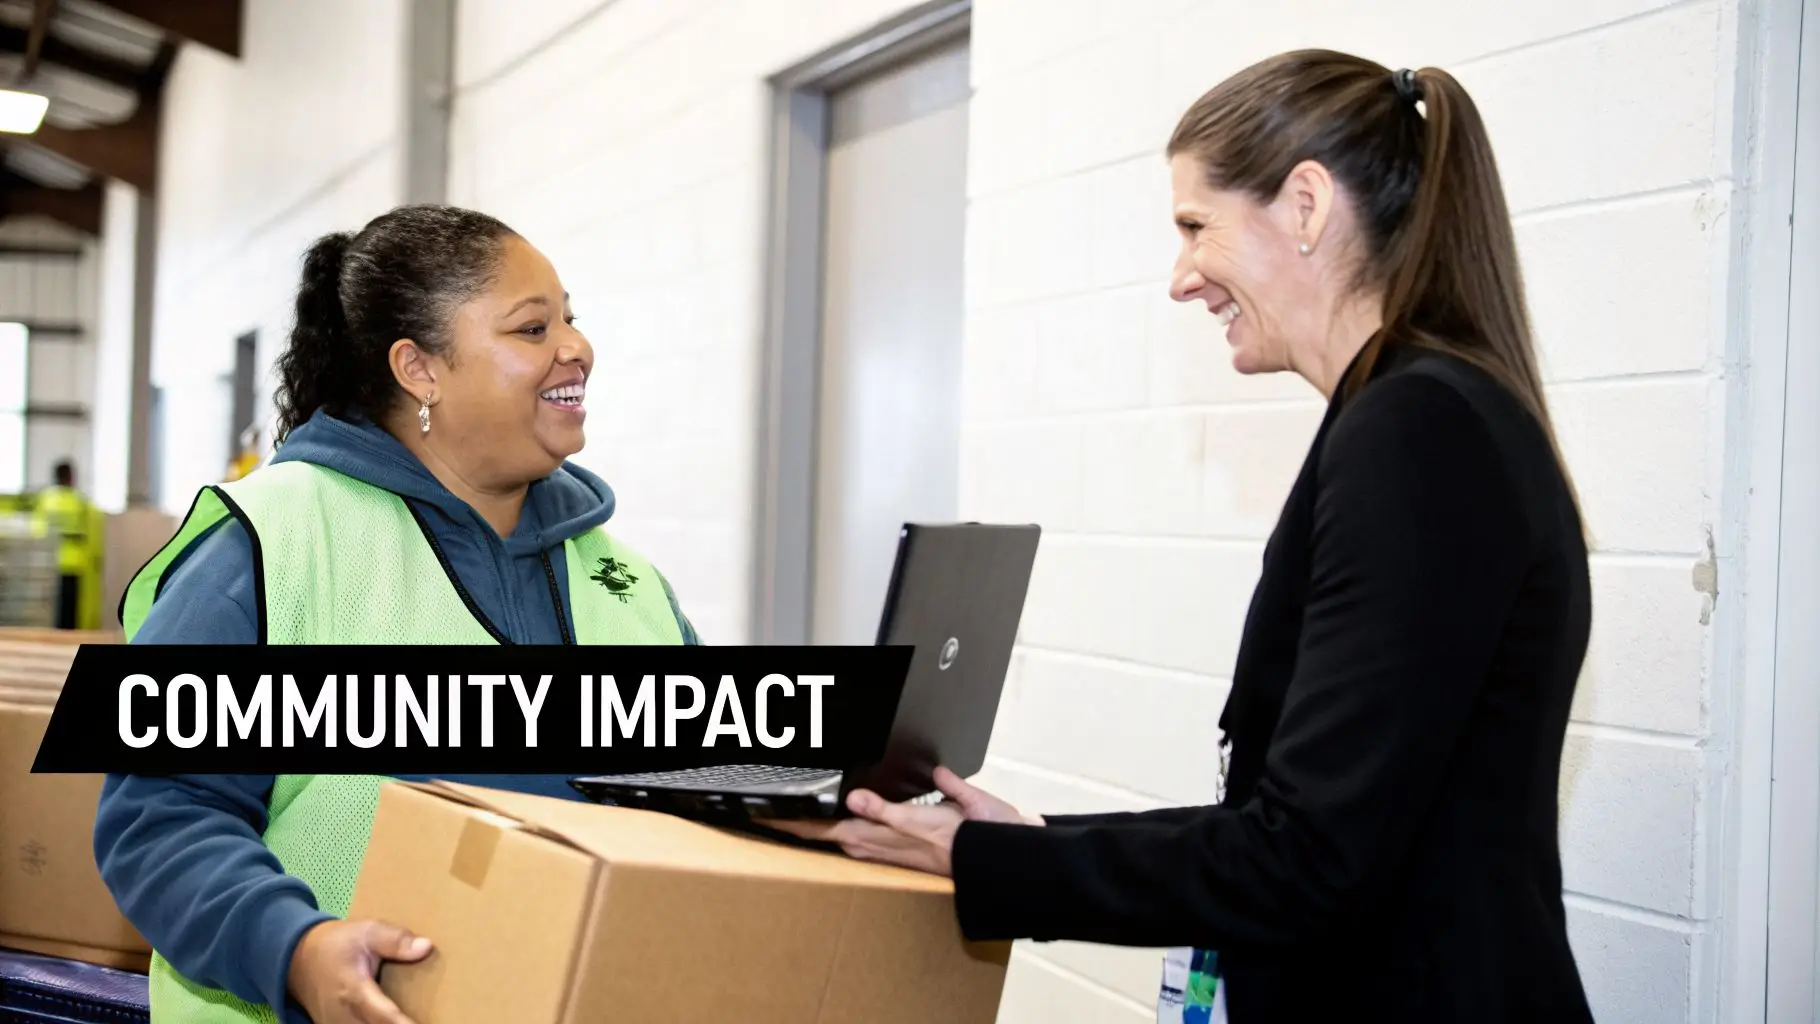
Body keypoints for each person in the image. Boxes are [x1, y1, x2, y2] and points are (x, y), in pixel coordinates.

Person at [770, 50, 1596, 1023]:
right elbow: (1312, 821)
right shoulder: (1435, 412)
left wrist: (990, 859)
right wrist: (1022, 835)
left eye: (1195, 226)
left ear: (1303, 205)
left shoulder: (1414, 431)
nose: (1180, 278)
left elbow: (1304, 857)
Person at [94, 204, 702, 1024]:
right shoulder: (271, 545)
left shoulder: (623, 579)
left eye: (571, 319)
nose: (575, 348)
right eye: (532, 329)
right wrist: (295, 951)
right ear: (420, 370)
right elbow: (160, 817)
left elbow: (706, 795)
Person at [32, 459, 98, 629]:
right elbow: (89, 532)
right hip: (74, 562)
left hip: (49, 563)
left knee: (50, 608)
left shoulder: (46, 500)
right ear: (70, 477)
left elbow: (39, 530)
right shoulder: (79, 501)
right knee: (70, 610)